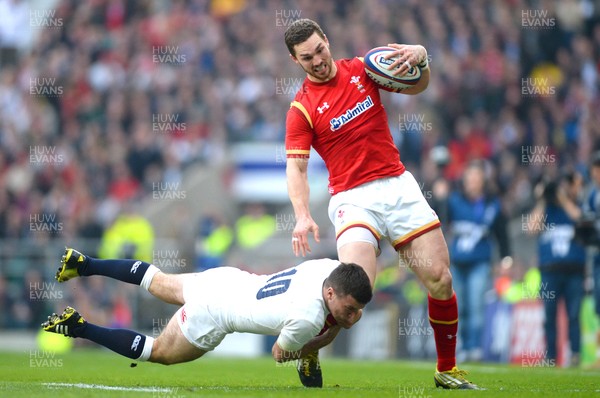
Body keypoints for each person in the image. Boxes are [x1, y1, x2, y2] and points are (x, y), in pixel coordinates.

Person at [284, 18, 479, 389]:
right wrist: (302, 215)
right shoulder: (302, 108)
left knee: (440, 278)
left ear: (327, 40)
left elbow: (418, 85)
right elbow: (296, 167)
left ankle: (446, 370)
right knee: (351, 296)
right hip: (352, 200)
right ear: (296, 61)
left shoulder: (364, 69)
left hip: (398, 186)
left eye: (320, 50)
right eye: (307, 58)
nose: (318, 61)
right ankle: (310, 348)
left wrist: (422, 58)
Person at [42, 248, 371, 387]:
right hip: (214, 313)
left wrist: (331, 327)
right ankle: (79, 327)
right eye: (350, 309)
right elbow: (280, 353)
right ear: (331, 294)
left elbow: (341, 297)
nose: (354, 317)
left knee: (154, 280)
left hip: (228, 279)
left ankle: (84, 264)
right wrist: (319, 343)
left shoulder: (330, 268)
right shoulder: (308, 318)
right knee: (159, 353)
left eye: (358, 311)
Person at [442, 160, 511, 362]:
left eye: (476, 178)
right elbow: (440, 221)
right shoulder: (453, 201)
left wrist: (506, 258)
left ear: (483, 181)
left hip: (480, 263)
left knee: (476, 306)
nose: (472, 182)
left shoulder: (492, 205)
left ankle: (475, 347)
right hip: (457, 262)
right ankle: (461, 346)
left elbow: (502, 233)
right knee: (459, 306)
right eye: (469, 178)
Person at [527, 171, 586, 367]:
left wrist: (563, 198)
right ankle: (551, 357)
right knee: (549, 314)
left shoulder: (576, 206)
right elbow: (531, 228)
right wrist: (543, 200)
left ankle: (575, 354)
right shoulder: (546, 210)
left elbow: (581, 219)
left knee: (574, 314)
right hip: (549, 271)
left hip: (574, 270)